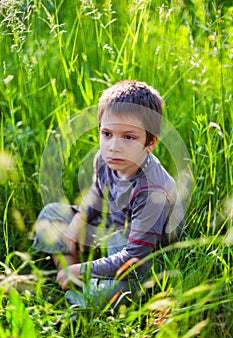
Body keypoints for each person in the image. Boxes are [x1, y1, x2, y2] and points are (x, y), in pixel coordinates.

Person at [33, 80, 184, 309]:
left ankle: (80, 297)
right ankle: (73, 280)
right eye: (107, 133)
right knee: (51, 215)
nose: (114, 146)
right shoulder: (106, 159)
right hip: (113, 232)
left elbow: (134, 259)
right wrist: (79, 220)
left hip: (142, 256)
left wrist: (83, 269)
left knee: (114, 292)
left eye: (129, 137)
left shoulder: (153, 191)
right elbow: (98, 188)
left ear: (150, 142)